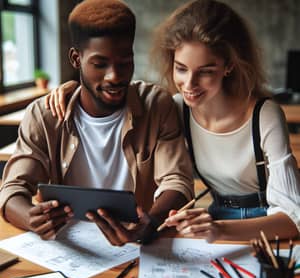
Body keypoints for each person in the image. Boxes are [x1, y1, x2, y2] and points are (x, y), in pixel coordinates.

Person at [46, 0, 300, 243]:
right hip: (214, 217)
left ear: (229, 66)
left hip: (266, 226)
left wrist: (219, 229)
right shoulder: (178, 108)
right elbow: (126, 95)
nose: (189, 85)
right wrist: (76, 89)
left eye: (206, 71)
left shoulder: (264, 115)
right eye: (181, 68)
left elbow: (292, 220)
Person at [0, 0, 194, 246]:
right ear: (76, 59)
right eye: (100, 64)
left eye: (124, 63)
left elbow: (177, 181)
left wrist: (152, 222)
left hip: (134, 246)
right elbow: (12, 189)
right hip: (69, 249)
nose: (114, 76)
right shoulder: (44, 115)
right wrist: (30, 218)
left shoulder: (156, 106)